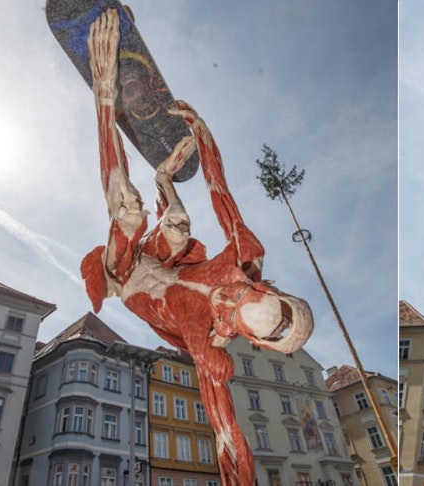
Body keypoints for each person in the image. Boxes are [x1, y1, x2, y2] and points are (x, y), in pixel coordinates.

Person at [80, 10, 314, 486]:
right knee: (179, 229)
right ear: (269, 289)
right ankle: (163, 179)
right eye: (255, 297)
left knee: (127, 209)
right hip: (160, 258)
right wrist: (203, 136)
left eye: (249, 312)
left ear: (256, 339)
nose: (233, 299)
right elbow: (222, 194)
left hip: (125, 276)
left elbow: (227, 431)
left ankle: (102, 89)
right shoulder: (244, 259)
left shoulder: (210, 350)